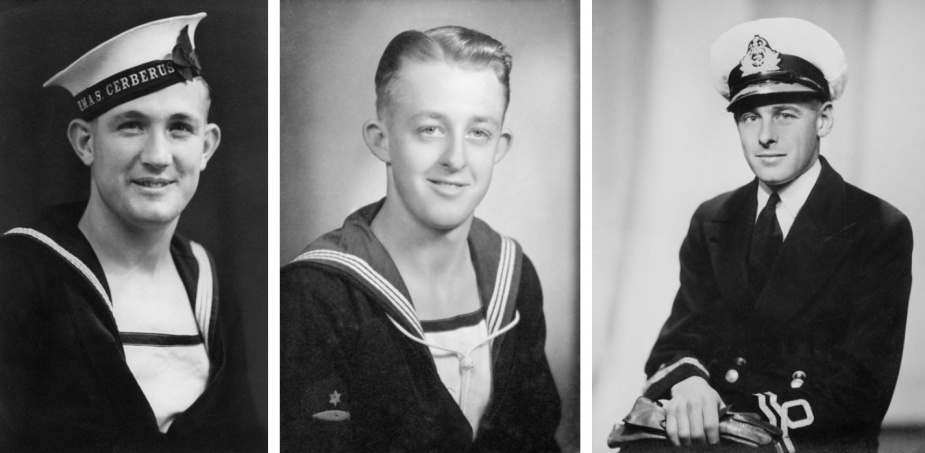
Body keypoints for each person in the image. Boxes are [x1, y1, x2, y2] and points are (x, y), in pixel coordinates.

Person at [637, 18, 912, 452]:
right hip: (715, 437)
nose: (765, 136)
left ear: (823, 120)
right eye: (750, 117)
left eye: (785, 114)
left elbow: (861, 389)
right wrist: (688, 383)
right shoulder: (713, 219)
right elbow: (679, 341)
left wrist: (738, 425)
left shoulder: (877, 226)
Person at [281, 26, 561, 452]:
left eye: (478, 133)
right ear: (382, 140)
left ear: (500, 147)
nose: (455, 158)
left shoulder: (515, 275)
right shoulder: (317, 295)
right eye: (430, 129)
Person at [0, 13, 261, 451]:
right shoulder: (22, 273)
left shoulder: (208, 283)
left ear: (206, 146)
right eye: (131, 125)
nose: (158, 156)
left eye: (179, 127)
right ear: (86, 142)